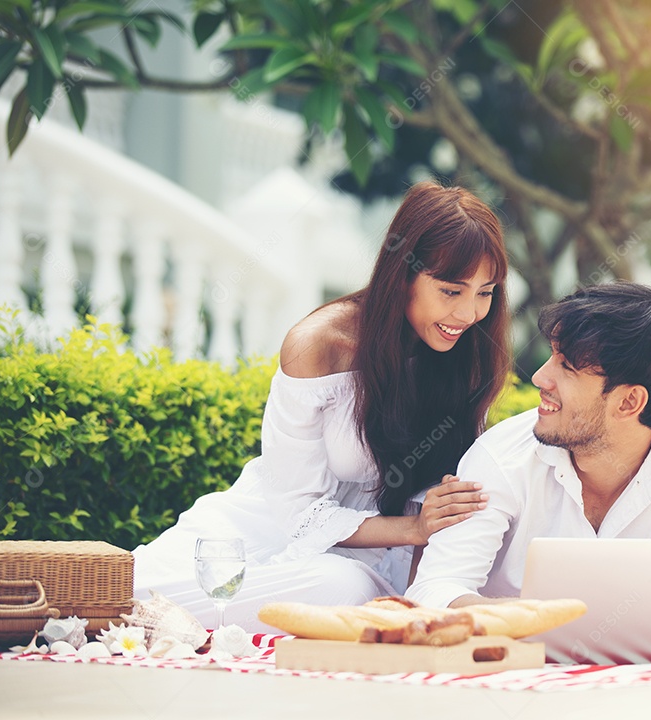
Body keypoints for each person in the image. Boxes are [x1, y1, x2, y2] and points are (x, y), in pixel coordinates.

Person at [133, 182, 511, 631]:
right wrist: (413, 530)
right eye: (451, 291)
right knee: (120, 595)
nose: (468, 315)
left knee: (371, 595)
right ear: (404, 274)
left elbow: (443, 514)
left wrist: (426, 596)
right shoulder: (319, 346)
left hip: (373, 564)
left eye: (485, 293)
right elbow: (300, 515)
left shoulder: (467, 354)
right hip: (266, 536)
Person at [405, 282, 651, 608]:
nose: (539, 378)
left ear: (629, 401)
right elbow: (434, 590)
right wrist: (541, 618)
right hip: (513, 651)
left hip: (633, 656)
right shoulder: (500, 458)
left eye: (567, 367)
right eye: (552, 356)